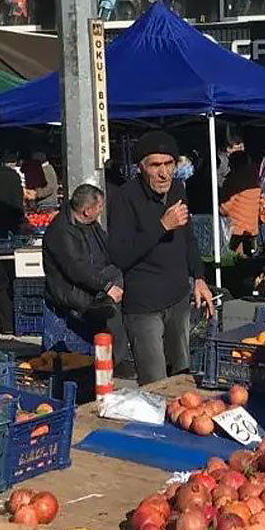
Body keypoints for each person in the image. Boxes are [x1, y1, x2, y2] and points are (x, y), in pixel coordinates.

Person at [108, 131, 216, 385]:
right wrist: (161, 226)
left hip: (178, 298)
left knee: (182, 377)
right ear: (141, 167)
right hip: (144, 306)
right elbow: (119, 255)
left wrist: (199, 278)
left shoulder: (178, 188)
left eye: (169, 164)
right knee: (156, 384)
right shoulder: (124, 198)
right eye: (156, 165)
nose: (163, 173)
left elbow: (188, 237)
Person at [42, 184, 124, 349]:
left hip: (97, 278)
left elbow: (107, 248)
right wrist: (106, 287)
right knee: (111, 316)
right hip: (72, 290)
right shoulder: (61, 232)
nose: (102, 209)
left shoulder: (92, 224)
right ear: (87, 210)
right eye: (99, 206)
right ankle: (114, 359)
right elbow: (76, 269)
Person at [218, 150, 262, 255]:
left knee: (237, 262)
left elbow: (225, 207)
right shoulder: (255, 179)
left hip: (236, 230)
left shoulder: (233, 180)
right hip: (252, 228)